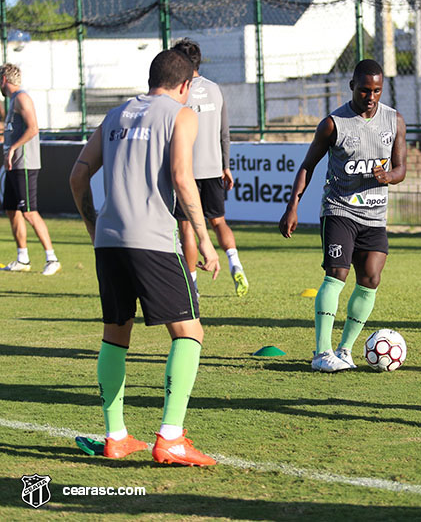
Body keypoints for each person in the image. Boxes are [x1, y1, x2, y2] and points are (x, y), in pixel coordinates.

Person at [69, 49, 221, 465]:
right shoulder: (180, 114)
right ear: (186, 84)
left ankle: (115, 436)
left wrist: (94, 228)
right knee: (189, 333)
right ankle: (170, 437)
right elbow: (180, 177)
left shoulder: (115, 114)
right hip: (152, 239)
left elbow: (78, 175)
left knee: (115, 334)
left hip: (110, 239)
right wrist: (205, 241)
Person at [279, 59, 407, 372]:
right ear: (352, 87)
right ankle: (322, 353)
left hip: (374, 215)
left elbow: (401, 168)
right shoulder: (333, 124)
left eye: (377, 90)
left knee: (371, 278)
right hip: (340, 209)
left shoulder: (395, 120)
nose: (371, 96)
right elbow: (308, 165)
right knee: (337, 274)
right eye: (365, 90)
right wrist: (292, 206)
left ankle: (345, 350)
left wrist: (388, 177)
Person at [171, 38, 248, 297]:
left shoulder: (177, 92)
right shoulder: (215, 89)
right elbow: (224, 132)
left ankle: (191, 284)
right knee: (218, 221)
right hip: (214, 167)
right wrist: (226, 165)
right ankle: (235, 263)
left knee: (187, 226)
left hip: (187, 172)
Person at [0, 63, 61, 275]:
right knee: (11, 210)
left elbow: (33, 128)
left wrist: (13, 149)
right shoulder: (12, 102)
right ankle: (22, 258)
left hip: (24, 164)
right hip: (12, 166)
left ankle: (51, 258)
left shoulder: (22, 98)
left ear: (4, 80)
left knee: (29, 212)